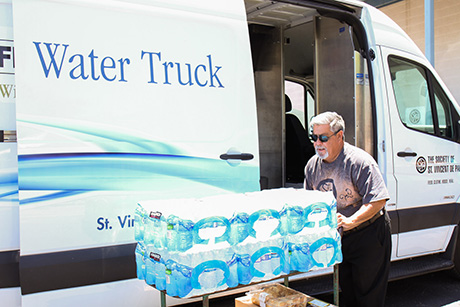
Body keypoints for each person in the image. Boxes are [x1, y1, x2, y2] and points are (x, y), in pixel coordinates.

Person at [304, 111, 391, 307]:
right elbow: (310, 203)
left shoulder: (359, 162)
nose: (318, 143)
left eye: (323, 138)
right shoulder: (312, 166)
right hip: (342, 237)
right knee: (348, 294)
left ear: (340, 136)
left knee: (368, 297)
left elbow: (378, 200)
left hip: (369, 232)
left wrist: (352, 221)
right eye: (314, 137)